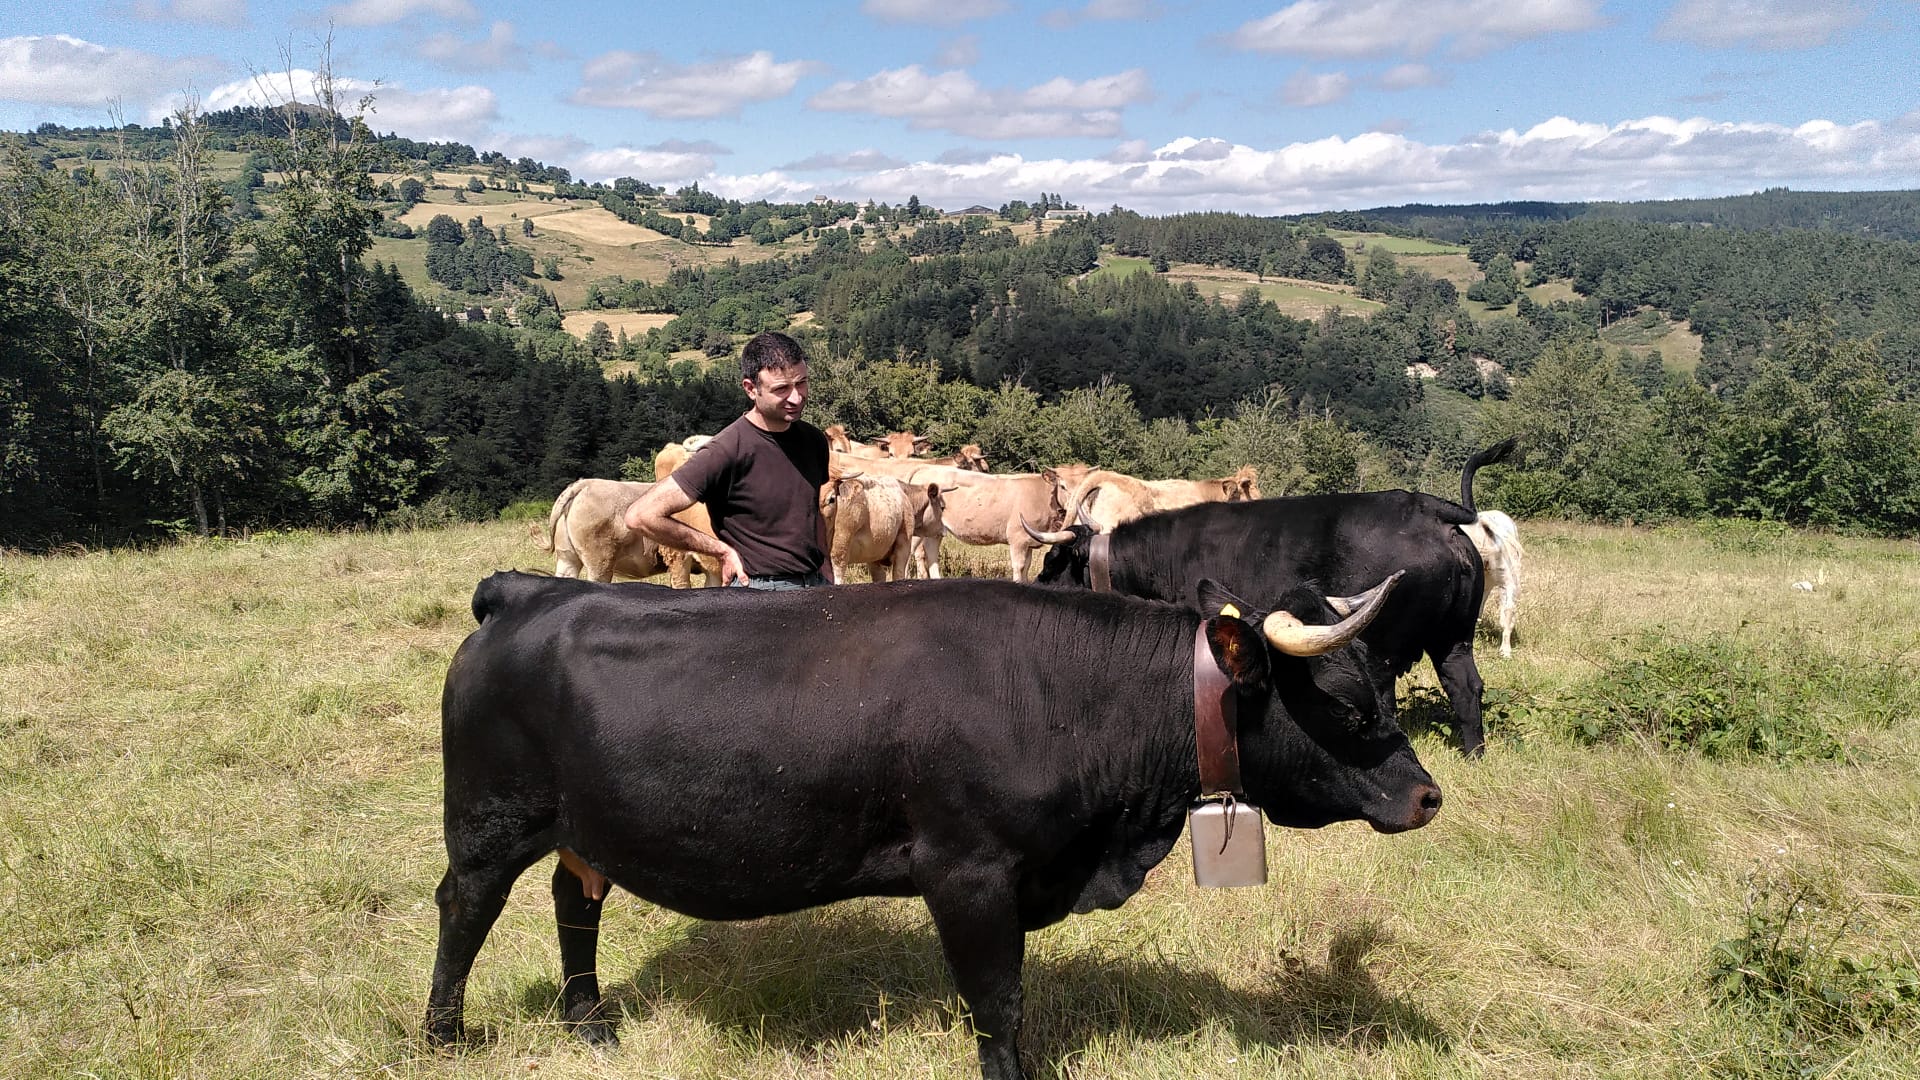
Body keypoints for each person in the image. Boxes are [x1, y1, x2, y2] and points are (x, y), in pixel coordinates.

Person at [624, 331, 831, 590]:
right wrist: (719, 550)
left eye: (801, 383)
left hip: (816, 586)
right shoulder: (726, 450)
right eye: (781, 389)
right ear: (751, 389)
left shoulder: (813, 440)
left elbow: (812, 511)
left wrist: (826, 568)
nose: (796, 397)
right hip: (759, 591)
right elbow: (641, 515)